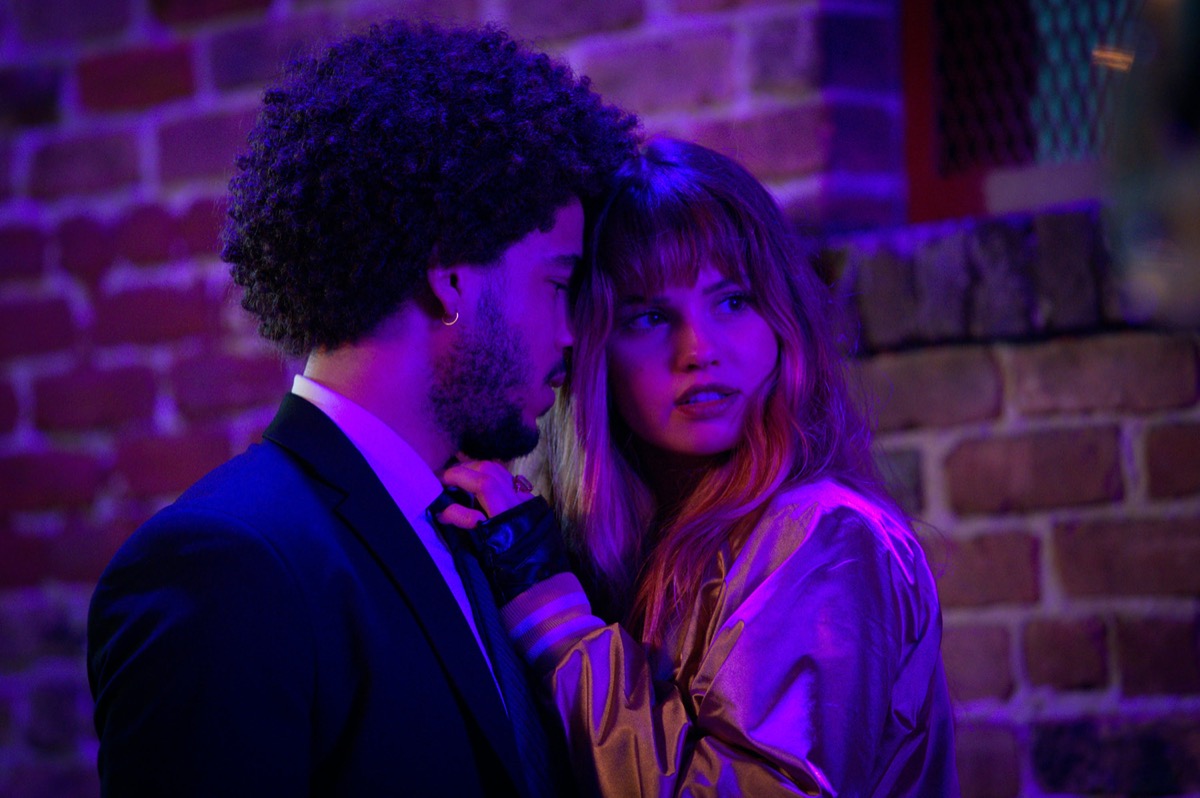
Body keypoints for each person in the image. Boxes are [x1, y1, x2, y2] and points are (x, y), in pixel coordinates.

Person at [86, 20, 638, 797]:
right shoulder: (228, 564)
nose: (574, 331)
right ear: (450, 277)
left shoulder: (479, 529)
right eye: (556, 284)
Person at [440, 139, 960, 796]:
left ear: (783, 319)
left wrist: (552, 613)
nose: (699, 350)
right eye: (651, 317)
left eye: (733, 301)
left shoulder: (825, 533)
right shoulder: (622, 546)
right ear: (592, 350)